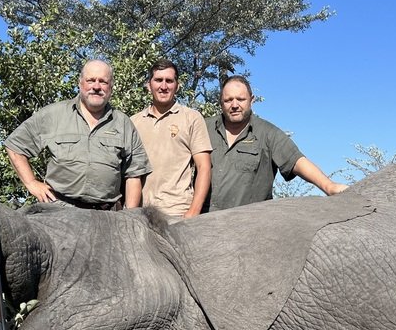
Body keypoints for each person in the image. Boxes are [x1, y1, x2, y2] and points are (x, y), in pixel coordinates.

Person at [5, 59, 151, 210]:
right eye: (91, 80)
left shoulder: (123, 123)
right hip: (59, 211)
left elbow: (134, 173)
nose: (96, 86)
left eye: (103, 82)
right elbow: (15, 146)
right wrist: (31, 183)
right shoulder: (54, 114)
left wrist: (129, 216)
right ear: (80, 83)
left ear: (111, 88)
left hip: (107, 216)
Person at [204, 75, 347, 212]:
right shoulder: (203, 128)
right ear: (220, 101)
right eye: (228, 100)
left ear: (251, 100)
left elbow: (296, 161)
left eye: (240, 99)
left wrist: (329, 186)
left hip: (248, 226)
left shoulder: (268, 133)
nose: (234, 105)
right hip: (201, 224)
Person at [131, 58, 212, 220]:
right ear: (149, 85)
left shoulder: (192, 118)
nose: (163, 86)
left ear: (177, 85)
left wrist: (193, 213)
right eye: (158, 80)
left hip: (178, 212)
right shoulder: (134, 122)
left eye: (169, 81)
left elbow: (204, 166)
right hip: (141, 214)